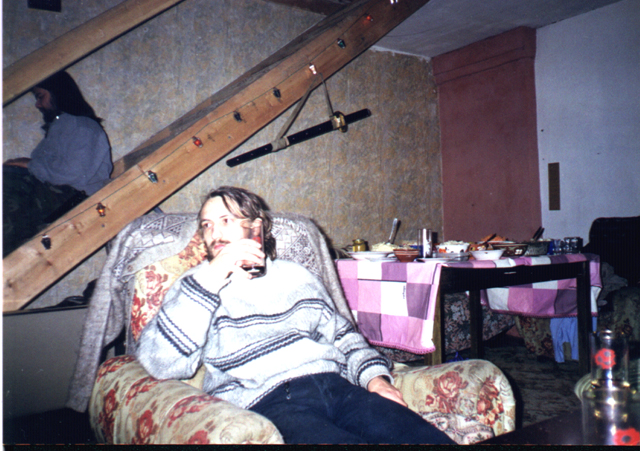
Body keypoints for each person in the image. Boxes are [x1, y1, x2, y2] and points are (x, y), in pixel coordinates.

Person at [135, 186, 454, 444]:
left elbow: (342, 335)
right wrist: (213, 275)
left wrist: (375, 379)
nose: (214, 232)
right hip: (269, 402)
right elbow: (161, 365)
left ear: (256, 228)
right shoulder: (195, 287)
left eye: (226, 220)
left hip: (339, 388)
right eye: (207, 225)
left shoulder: (297, 276)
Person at [3, 71, 113, 256]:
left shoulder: (82, 126)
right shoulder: (61, 126)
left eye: (40, 97)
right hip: (57, 195)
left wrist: (29, 165)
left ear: (58, 92)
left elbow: (72, 175)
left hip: (75, 197)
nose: (38, 105)